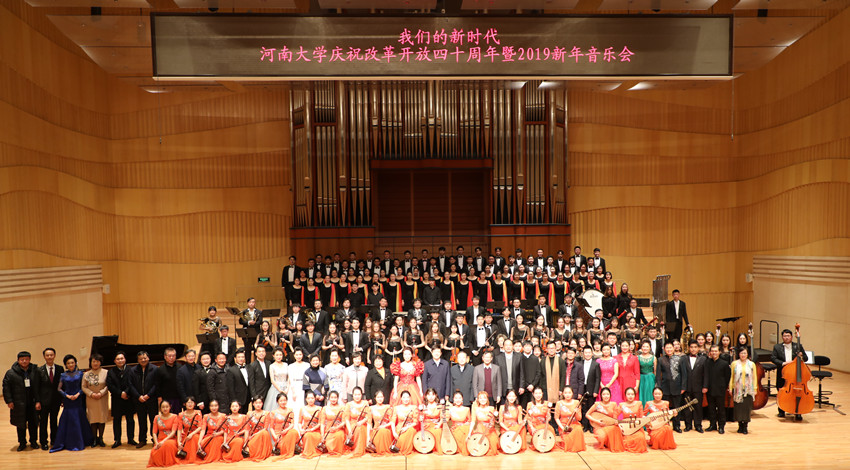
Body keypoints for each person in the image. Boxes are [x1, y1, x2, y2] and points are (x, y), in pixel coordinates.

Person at [49, 354, 93, 452]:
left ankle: (82, 441)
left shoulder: (81, 374)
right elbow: (59, 388)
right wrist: (67, 396)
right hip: (68, 401)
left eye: (72, 362)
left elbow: (84, 386)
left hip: (78, 399)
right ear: (66, 365)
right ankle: (68, 441)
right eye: (68, 363)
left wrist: (78, 394)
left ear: (75, 363)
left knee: (79, 418)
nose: (71, 364)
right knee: (68, 419)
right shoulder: (63, 375)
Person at [3, 351, 41, 452]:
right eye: (22, 359)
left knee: (33, 423)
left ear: (29, 360)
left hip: (32, 403)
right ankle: (22, 443)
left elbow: (38, 387)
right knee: (20, 424)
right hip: (18, 403)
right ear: (18, 360)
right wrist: (9, 401)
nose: (24, 361)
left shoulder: (35, 371)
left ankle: (33, 441)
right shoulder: (11, 373)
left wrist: (38, 401)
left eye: (26, 359)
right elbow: (6, 388)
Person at [770, 327, 808, 420]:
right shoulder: (777, 347)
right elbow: (773, 358)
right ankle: (781, 410)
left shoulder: (798, 346)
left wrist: (802, 355)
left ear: (791, 337)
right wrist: (783, 363)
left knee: (797, 392)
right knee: (781, 390)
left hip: (795, 374)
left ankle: (798, 411)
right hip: (782, 372)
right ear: (782, 337)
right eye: (784, 336)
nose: (786, 337)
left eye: (788, 336)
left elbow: (806, 358)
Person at [106, 351, 136, 447]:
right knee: (117, 420)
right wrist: (120, 393)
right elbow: (110, 385)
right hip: (117, 399)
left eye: (122, 358)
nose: (120, 360)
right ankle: (117, 440)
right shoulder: (111, 372)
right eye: (118, 359)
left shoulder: (131, 370)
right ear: (114, 361)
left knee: (130, 419)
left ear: (125, 359)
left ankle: (131, 439)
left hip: (129, 398)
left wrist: (126, 392)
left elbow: (132, 383)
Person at [37, 347, 62, 450]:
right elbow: (36, 387)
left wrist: (62, 399)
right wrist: (38, 401)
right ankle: (43, 442)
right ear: (44, 356)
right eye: (47, 355)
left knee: (54, 421)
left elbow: (62, 385)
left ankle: (54, 440)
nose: (49, 357)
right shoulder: (39, 370)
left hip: (56, 400)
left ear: (54, 356)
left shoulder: (60, 368)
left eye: (51, 355)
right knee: (43, 422)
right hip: (43, 401)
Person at [82, 353, 109, 447]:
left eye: (97, 361)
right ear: (90, 363)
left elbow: (108, 385)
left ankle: (100, 438)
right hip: (91, 399)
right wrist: (91, 394)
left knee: (101, 418)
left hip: (102, 398)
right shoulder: (86, 374)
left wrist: (101, 393)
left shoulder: (106, 372)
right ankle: (94, 439)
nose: (95, 363)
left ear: (100, 362)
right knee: (93, 419)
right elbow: (83, 387)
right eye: (93, 361)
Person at [656, 342, 683, 433]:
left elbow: (683, 373)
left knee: (676, 408)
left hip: (677, 386)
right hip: (665, 387)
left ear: (674, 348)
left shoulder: (679, 359)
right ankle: (665, 425)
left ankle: (677, 426)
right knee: (664, 409)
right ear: (664, 349)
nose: (669, 350)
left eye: (670, 347)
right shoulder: (661, 359)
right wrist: (659, 387)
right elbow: (658, 375)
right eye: (667, 348)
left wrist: (683, 386)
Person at [730, 346, 758, 434]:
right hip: (737, 389)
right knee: (738, 408)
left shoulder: (752, 364)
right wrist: (730, 388)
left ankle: (745, 426)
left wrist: (755, 388)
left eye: (745, 353)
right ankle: (740, 426)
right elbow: (732, 377)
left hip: (748, 390)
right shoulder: (734, 364)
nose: (743, 355)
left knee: (746, 409)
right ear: (739, 354)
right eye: (741, 353)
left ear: (747, 354)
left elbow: (754, 377)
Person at [680, 339, 706, 432]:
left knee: (698, 407)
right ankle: (688, 425)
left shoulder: (703, 359)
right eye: (691, 347)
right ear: (688, 348)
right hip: (687, 387)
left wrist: (705, 386)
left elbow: (705, 374)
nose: (693, 349)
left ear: (698, 348)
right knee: (687, 407)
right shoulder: (683, 358)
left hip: (698, 387)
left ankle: (698, 425)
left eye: (695, 347)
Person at [704, 344, 731, 434]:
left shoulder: (724, 364)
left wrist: (723, 387)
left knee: (721, 409)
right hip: (710, 389)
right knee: (711, 408)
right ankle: (712, 425)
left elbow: (727, 377)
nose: (714, 353)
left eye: (716, 351)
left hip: (720, 390)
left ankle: (721, 426)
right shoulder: (707, 362)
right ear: (710, 352)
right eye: (712, 351)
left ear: (719, 352)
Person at [587, 387, 624, 452]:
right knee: (601, 437)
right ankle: (605, 442)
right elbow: (587, 414)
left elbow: (615, 418)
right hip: (599, 426)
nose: (606, 396)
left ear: (610, 395)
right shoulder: (597, 404)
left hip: (610, 426)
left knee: (617, 430)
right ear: (601, 395)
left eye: (607, 394)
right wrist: (597, 421)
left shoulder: (613, 404)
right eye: (604, 394)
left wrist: (618, 424)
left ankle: (609, 443)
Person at [146, 400, 179, 467]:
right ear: (160, 408)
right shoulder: (157, 417)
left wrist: (163, 441)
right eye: (163, 407)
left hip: (170, 439)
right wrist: (156, 443)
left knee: (167, 445)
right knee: (154, 453)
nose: (165, 409)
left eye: (167, 407)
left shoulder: (174, 417)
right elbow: (154, 433)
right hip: (160, 440)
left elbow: (173, 432)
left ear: (170, 407)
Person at [467, 391, 499, 456]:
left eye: (484, 398)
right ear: (478, 399)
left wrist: (496, 415)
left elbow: (496, 418)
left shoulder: (491, 408)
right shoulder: (475, 409)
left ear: (487, 399)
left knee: (492, 445)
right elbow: (473, 421)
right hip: (480, 430)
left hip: (489, 430)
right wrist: (469, 432)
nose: (482, 400)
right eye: (480, 398)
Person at [554, 386, 586, 453]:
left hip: (575, 424)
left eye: (569, 393)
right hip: (564, 425)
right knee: (567, 442)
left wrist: (576, 413)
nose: (567, 395)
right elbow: (556, 418)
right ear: (563, 394)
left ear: (572, 393)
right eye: (565, 393)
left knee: (578, 430)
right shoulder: (559, 403)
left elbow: (579, 418)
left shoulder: (577, 402)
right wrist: (562, 427)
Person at [196, 400, 227, 464]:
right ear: (209, 407)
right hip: (209, 436)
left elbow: (225, 430)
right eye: (212, 406)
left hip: (219, 436)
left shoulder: (223, 416)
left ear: (218, 406)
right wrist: (199, 441)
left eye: (215, 406)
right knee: (203, 443)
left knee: (217, 439)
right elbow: (203, 430)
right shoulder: (206, 416)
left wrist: (218, 434)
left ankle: (216, 458)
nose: (214, 408)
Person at [269, 393, 298, 460]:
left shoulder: (290, 410)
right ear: (277, 401)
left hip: (287, 432)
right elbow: (271, 428)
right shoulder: (273, 412)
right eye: (281, 401)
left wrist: (286, 430)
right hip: (279, 435)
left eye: (284, 400)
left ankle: (291, 448)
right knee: (283, 446)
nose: (283, 402)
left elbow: (292, 424)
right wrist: (275, 437)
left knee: (293, 432)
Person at [525, 387, 555, 453]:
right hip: (534, 426)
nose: (538, 395)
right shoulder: (530, 404)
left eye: (539, 393)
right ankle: (537, 444)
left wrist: (549, 417)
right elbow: (528, 418)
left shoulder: (546, 403)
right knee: (538, 431)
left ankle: (547, 445)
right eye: (536, 393)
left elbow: (549, 418)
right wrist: (532, 428)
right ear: (533, 394)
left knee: (551, 429)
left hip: (544, 425)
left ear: (542, 394)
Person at [619, 387, 648, 453]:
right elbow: (615, 415)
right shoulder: (622, 405)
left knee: (640, 438)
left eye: (632, 394)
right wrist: (619, 425)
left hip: (637, 427)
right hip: (626, 427)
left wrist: (645, 419)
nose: (630, 396)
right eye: (628, 394)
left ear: (635, 395)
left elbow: (641, 416)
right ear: (625, 395)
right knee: (627, 440)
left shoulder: (639, 404)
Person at [344, 386, 370, 457]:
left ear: (361, 395)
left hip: (363, 424)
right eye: (355, 395)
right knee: (357, 428)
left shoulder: (365, 403)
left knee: (360, 428)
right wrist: (350, 431)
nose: (357, 396)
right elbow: (347, 419)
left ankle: (359, 450)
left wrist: (362, 422)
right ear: (352, 395)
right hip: (352, 425)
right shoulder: (349, 404)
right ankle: (356, 448)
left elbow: (368, 417)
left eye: (359, 394)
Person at [244, 396, 273, 461]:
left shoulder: (266, 413)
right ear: (253, 404)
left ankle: (263, 453)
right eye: (256, 403)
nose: (258, 405)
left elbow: (265, 428)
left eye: (260, 403)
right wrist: (245, 442)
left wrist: (255, 435)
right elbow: (247, 429)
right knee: (251, 445)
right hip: (252, 436)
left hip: (262, 435)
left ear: (262, 403)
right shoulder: (249, 414)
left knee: (264, 432)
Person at [365, 389, 393, 454]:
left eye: (381, 397)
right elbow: (369, 423)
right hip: (376, 430)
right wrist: (368, 436)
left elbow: (392, 421)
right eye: (378, 397)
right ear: (375, 398)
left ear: (383, 398)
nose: (380, 399)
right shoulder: (371, 408)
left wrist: (384, 426)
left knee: (383, 431)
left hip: (386, 430)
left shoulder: (387, 407)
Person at [154, 348, 181, 415]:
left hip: (178, 398)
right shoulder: (160, 369)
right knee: (166, 416)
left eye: (173, 356)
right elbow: (158, 385)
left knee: (177, 416)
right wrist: (159, 398)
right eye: (169, 356)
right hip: (166, 398)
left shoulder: (180, 367)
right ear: (165, 357)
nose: (171, 358)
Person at [175, 396, 202, 464]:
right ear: (184, 404)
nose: (190, 404)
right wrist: (178, 442)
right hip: (186, 435)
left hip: (196, 433)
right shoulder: (181, 415)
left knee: (194, 438)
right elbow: (179, 429)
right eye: (188, 402)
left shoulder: (198, 412)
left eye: (192, 402)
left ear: (194, 404)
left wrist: (191, 434)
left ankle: (193, 457)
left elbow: (200, 427)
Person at [391, 390, 418, 455]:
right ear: (401, 398)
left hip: (409, 428)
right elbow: (392, 421)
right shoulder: (396, 408)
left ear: (410, 398)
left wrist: (406, 427)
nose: (406, 399)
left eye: (407, 397)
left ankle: (407, 450)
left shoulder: (414, 407)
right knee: (400, 441)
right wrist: (394, 432)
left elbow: (415, 422)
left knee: (411, 430)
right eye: (404, 397)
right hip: (400, 429)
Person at [297, 391, 323, 459]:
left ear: (315, 399)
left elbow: (320, 423)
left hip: (316, 431)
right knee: (308, 435)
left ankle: (310, 452)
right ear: (306, 399)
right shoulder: (302, 409)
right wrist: (300, 429)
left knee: (311, 435)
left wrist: (312, 429)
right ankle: (307, 452)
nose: (310, 400)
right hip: (306, 431)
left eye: (312, 398)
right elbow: (299, 422)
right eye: (308, 398)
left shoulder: (319, 409)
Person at [226, 348, 251, 413]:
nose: (241, 359)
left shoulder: (248, 367)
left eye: (242, 357)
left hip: (247, 397)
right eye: (239, 357)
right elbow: (230, 387)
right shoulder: (231, 370)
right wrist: (234, 400)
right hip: (237, 399)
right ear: (235, 358)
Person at [265, 346, 289, 411]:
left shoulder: (286, 365)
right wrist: (280, 390)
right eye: (277, 355)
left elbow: (289, 377)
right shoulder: (272, 366)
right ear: (273, 356)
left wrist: (287, 388)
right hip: (276, 388)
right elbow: (272, 380)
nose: (279, 357)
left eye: (280, 355)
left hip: (286, 388)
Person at [287, 348, 309, 415]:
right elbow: (290, 379)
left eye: (300, 354)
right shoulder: (291, 366)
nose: (298, 356)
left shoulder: (307, 365)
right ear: (294, 355)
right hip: (293, 386)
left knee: (302, 405)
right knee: (293, 405)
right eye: (297, 355)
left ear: (302, 355)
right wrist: (293, 391)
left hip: (303, 386)